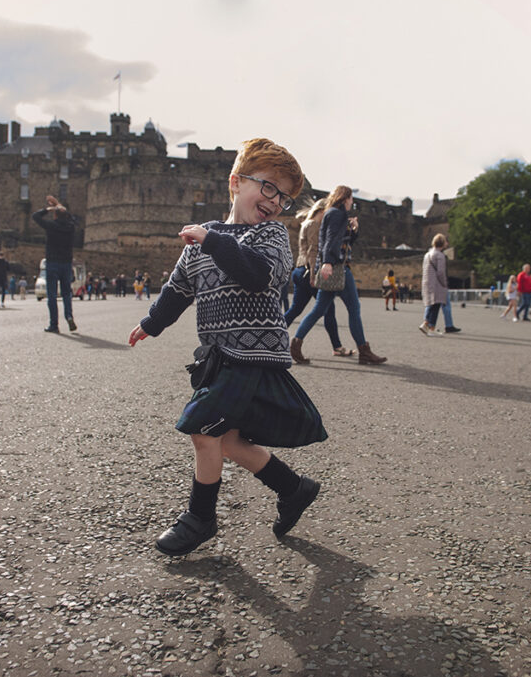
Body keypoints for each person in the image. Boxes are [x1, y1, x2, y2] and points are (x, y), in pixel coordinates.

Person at [128, 137, 326, 556]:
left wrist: (212, 241)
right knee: (230, 442)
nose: (275, 202)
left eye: (286, 197)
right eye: (269, 187)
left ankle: (200, 518)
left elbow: (258, 275)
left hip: (253, 357)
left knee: (202, 431)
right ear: (236, 182)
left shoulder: (271, 236)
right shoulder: (204, 240)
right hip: (220, 357)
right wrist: (151, 324)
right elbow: (177, 291)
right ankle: (294, 489)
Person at [290, 185, 387, 365]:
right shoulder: (337, 214)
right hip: (338, 267)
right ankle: (364, 351)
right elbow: (330, 241)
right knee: (354, 308)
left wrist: (354, 230)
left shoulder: (332, 213)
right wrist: (327, 262)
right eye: (351, 199)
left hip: (333, 266)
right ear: (345, 198)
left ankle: (296, 344)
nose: (352, 203)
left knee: (319, 309)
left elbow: (341, 241)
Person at [284, 199, 354, 360]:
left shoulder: (305, 224)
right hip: (309, 271)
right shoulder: (315, 225)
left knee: (295, 309)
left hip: (299, 269)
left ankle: (270, 338)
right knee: (328, 310)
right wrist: (315, 275)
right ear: (321, 211)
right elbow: (313, 251)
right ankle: (336, 347)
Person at [32, 195, 78, 333]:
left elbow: (35, 216)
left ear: (55, 216)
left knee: (51, 295)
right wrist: (59, 205)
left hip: (52, 263)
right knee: (66, 294)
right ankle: (69, 316)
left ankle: (54, 324)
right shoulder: (70, 227)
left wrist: (49, 208)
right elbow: (73, 219)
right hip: (66, 263)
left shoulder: (51, 226)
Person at [419, 234, 449, 336]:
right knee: (436, 306)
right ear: (442, 243)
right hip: (436, 284)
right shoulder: (440, 255)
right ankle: (430, 327)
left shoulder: (427, 254)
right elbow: (441, 272)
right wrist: (445, 284)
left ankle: (426, 324)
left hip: (427, 282)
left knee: (430, 305)